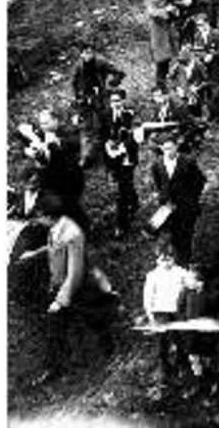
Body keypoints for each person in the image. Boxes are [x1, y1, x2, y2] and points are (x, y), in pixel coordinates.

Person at [19, 193, 119, 386]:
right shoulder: (57, 227)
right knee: (56, 326)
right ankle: (56, 366)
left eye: (38, 216)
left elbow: (75, 273)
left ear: (47, 215)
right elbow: (54, 247)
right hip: (61, 284)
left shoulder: (72, 234)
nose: (37, 221)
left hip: (78, 288)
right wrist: (35, 253)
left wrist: (60, 301)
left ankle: (108, 350)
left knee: (93, 319)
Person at [150, 136, 206, 266]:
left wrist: (191, 197)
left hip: (186, 205)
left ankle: (186, 260)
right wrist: (162, 197)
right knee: (173, 232)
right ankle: (175, 257)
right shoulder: (157, 164)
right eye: (165, 149)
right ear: (161, 149)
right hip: (168, 206)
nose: (168, 152)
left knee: (186, 233)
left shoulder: (188, 162)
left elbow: (200, 181)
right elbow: (158, 183)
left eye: (171, 148)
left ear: (176, 147)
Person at [143, 243, 192, 382]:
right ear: (157, 259)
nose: (166, 262)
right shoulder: (153, 275)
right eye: (162, 258)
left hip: (177, 312)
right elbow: (148, 297)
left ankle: (183, 367)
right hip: (160, 312)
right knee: (162, 343)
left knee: (181, 340)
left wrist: (195, 283)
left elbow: (192, 284)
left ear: (174, 258)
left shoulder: (181, 272)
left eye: (169, 258)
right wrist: (150, 315)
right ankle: (165, 371)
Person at [71, 44, 125, 166]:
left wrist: (112, 83)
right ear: (81, 54)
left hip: (100, 96)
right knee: (87, 126)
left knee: (105, 121)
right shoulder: (79, 66)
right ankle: (87, 156)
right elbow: (73, 83)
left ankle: (108, 151)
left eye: (90, 52)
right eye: (85, 53)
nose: (88, 55)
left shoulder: (101, 62)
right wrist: (77, 96)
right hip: (85, 97)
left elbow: (119, 73)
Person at [100, 89, 139, 237]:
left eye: (118, 101)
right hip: (111, 156)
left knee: (121, 190)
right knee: (125, 184)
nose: (115, 104)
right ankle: (134, 201)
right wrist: (108, 145)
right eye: (112, 101)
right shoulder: (105, 115)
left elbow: (136, 136)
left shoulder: (130, 115)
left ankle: (121, 224)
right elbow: (101, 134)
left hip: (127, 156)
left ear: (123, 101)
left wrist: (124, 146)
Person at [145, 0, 179, 87]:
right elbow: (151, 11)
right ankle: (160, 84)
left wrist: (171, 11)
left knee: (166, 60)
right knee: (161, 61)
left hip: (165, 32)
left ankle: (163, 83)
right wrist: (165, 11)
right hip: (158, 33)